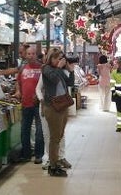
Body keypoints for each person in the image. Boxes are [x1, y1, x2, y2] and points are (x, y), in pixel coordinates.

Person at [41, 48, 75, 177]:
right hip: (52, 107)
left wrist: (71, 71)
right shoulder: (46, 68)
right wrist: (60, 68)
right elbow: (54, 79)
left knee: (59, 136)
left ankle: (55, 163)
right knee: (54, 138)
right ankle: (53, 166)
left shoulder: (58, 70)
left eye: (61, 58)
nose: (59, 61)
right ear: (51, 58)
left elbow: (70, 83)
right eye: (57, 58)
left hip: (62, 105)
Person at [15, 46, 44, 164]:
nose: (31, 56)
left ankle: (38, 155)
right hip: (25, 103)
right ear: (25, 55)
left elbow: (46, 84)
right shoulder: (22, 68)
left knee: (39, 131)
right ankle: (26, 154)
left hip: (38, 104)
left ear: (36, 55)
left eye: (33, 54)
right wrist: (18, 91)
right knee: (24, 130)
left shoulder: (42, 68)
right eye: (29, 54)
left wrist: (41, 95)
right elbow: (18, 81)